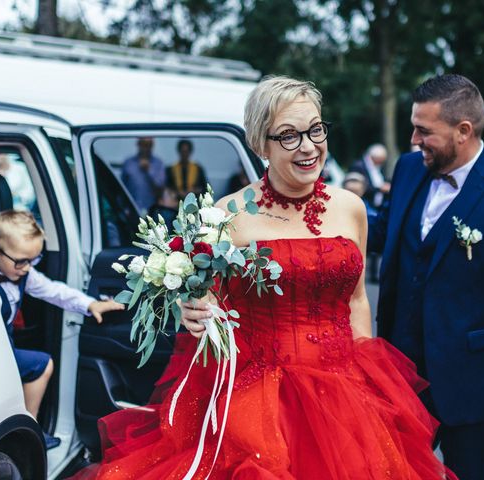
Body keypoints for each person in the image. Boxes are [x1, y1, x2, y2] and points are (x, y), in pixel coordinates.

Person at [70, 76, 455, 479]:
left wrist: (366, 382)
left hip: (346, 395)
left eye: (315, 130)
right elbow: (209, 303)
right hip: (258, 400)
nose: (308, 146)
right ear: (260, 145)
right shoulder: (228, 215)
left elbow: (356, 299)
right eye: (288, 136)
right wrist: (192, 309)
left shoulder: (350, 208)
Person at [368, 74, 484, 479]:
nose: (413, 140)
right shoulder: (407, 169)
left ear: (463, 131)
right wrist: (317, 206)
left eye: (424, 131)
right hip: (400, 374)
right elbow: (380, 234)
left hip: (475, 385)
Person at [0, 210, 124, 449]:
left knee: (40, 363)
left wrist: (90, 304)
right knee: (42, 364)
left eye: (34, 260)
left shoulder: (21, 273)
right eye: (22, 261)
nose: (27, 268)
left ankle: (30, 425)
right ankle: (28, 428)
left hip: (5, 347)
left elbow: (54, 291)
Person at [121, 137, 166, 214]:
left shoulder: (158, 163)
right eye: (144, 144)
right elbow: (122, 187)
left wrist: (149, 171)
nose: (146, 148)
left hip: (152, 211)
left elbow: (161, 187)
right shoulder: (129, 163)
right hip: (131, 211)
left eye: (149, 145)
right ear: (138, 144)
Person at [349, 143, 391, 208]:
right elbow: (356, 187)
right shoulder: (358, 166)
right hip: (365, 204)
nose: (382, 163)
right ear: (376, 157)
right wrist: (380, 188)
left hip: (377, 205)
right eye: (381, 160)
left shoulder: (377, 166)